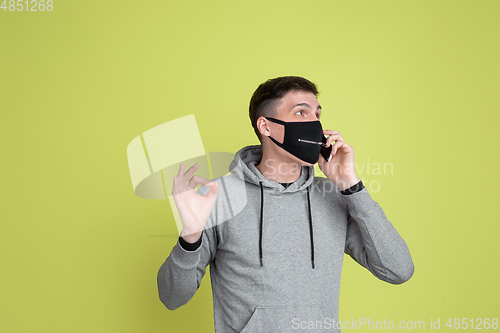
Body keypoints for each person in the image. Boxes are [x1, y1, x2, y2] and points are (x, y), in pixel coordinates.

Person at [157, 76, 414, 332]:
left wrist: (350, 185)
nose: (314, 123)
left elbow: (398, 270)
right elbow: (172, 298)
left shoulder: (333, 196)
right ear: (266, 127)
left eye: (316, 114)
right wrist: (190, 237)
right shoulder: (218, 197)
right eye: (301, 112)